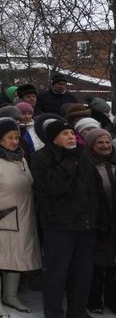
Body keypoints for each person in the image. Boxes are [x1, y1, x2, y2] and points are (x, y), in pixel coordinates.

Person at [31, 120, 105, 318]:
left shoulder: (82, 155)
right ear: (53, 138)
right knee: (56, 274)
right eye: (65, 133)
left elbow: (95, 188)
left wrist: (99, 218)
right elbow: (54, 186)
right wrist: (68, 160)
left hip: (86, 225)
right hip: (59, 226)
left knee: (82, 274)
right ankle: (54, 313)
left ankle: (77, 311)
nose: (71, 137)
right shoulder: (42, 158)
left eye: (72, 133)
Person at [0, 118, 41, 317]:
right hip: (0, 220)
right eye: (9, 138)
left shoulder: (20, 159)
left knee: (16, 258)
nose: (14, 141)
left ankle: (10, 296)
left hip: (23, 219)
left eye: (16, 137)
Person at [84, 128, 116, 314]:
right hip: (97, 221)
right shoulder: (88, 165)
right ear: (91, 145)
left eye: (107, 142)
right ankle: (94, 299)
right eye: (100, 143)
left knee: (113, 265)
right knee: (96, 264)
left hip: (114, 220)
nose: (105, 146)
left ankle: (111, 298)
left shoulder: (113, 162)